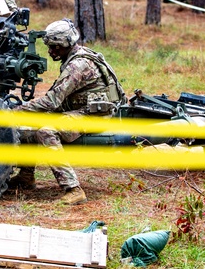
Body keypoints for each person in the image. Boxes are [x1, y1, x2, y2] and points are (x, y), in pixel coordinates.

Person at [12, 19, 126, 206]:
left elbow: (52, 100)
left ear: (66, 44)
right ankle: (26, 176)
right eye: (50, 46)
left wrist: (16, 111)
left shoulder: (78, 65)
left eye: (55, 47)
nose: (51, 51)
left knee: (46, 131)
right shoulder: (74, 57)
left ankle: (73, 189)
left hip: (95, 116)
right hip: (83, 110)